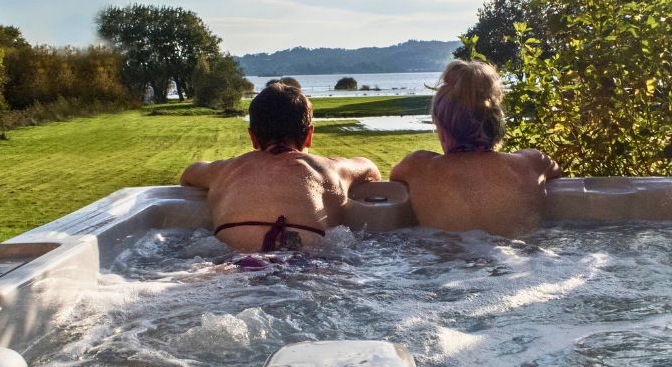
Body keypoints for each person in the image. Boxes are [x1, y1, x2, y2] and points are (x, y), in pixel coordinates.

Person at [181, 82, 381, 252]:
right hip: (306, 265)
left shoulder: (225, 170)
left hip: (232, 264)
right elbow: (371, 169)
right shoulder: (329, 169)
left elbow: (189, 174)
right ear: (309, 135)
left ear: (252, 137)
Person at [390, 59, 562, 237]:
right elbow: (555, 172)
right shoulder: (533, 163)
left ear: (441, 128)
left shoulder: (419, 167)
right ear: (495, 122)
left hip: (449, 261)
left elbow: (389, 177)